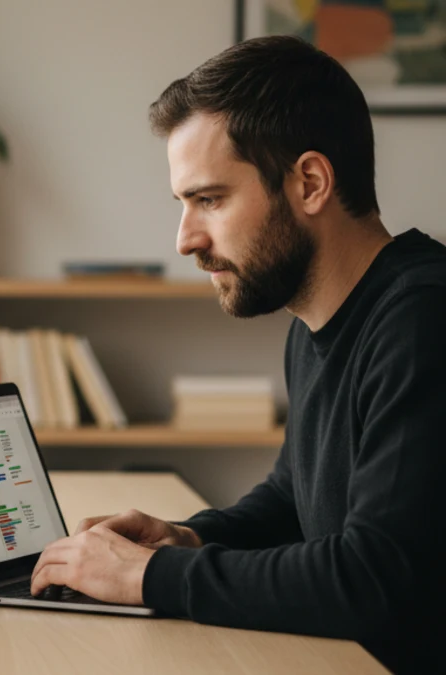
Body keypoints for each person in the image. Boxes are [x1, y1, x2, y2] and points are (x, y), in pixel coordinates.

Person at [28, 36, 446, 673]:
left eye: (210, 200)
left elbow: (373, 578)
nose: (185, 239)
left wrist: (153, 577)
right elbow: (295, 498)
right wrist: (190, 536)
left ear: (309, 182)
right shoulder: (317, 322)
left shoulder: (422, 318)